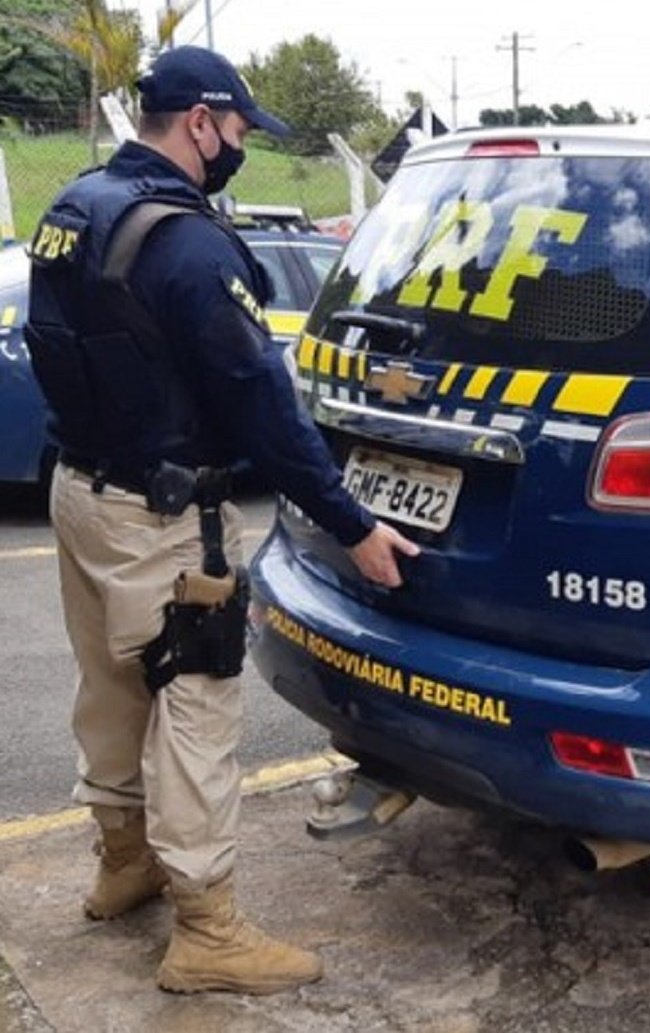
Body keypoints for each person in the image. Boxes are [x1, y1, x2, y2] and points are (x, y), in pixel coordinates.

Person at [24, 46, 419, 995]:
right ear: (200, 122)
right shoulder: (189, 244)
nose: (237, 146)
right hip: (168, 520)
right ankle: (207, 928)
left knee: (112, 690)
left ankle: (124, 862)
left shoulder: (74, 210)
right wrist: (353, 524)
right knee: (195, 711)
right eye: (238, 130)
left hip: (82, 495)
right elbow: (261, 407)